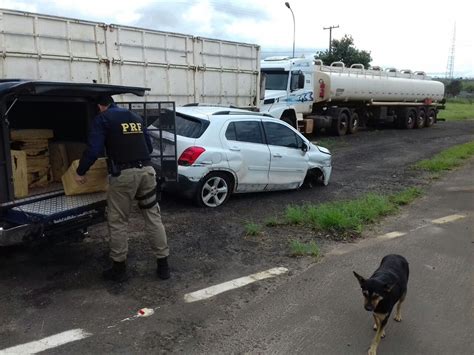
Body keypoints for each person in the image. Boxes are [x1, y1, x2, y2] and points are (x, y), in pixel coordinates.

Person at [74, 95, 170, 282]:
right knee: (153, 218)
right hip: (147, 172)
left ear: (101, 106)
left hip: (124, 176)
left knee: (118, 221)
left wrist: (80, 171)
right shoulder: (135, 117)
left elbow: (94, 150)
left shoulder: (102, 119)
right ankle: (163, 265)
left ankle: (119, 269)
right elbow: (149, 148)